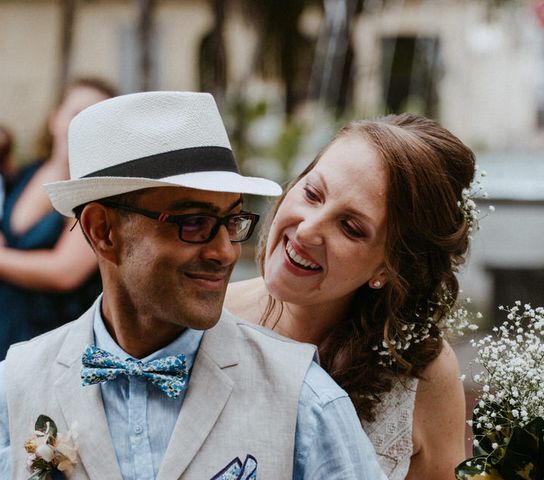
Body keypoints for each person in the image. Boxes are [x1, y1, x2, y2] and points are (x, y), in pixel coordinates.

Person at [0, 91, 386, 480]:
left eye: (232, 221)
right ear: (102, 232)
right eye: (193, 222)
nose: (226, 253)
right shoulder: (15, 388)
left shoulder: (303, 399)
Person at [226, 113, 474, 479]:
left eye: (351, 227)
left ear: (389, 268)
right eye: (312, 193)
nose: (308, 230)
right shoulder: (209, 319)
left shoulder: (423, 374)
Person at [0, 79, 116, 359]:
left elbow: (64, 272)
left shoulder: (98, 196)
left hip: (50, 341)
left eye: (95, 118)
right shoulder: (24, 173)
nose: (83, 126)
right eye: (76, 113)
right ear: (55, 118)